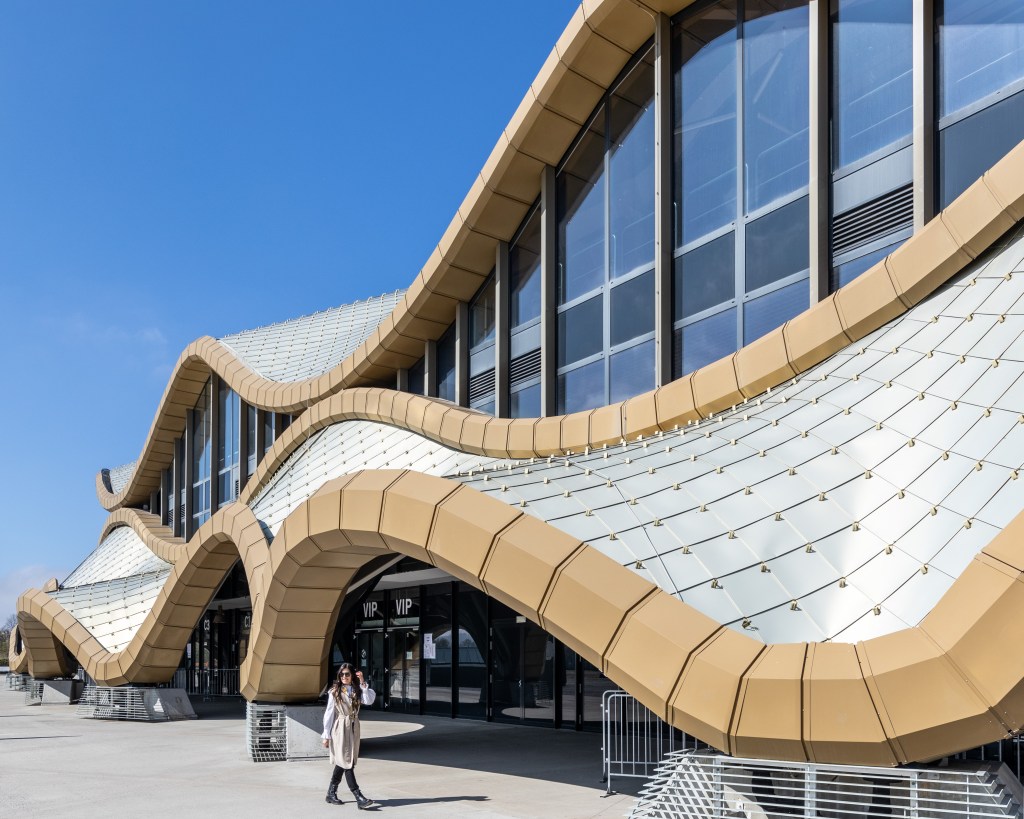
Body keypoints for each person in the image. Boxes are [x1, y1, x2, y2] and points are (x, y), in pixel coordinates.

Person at [321, 663, 377, 808]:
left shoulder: (358, 690)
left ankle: (331, 793)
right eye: (341, 674)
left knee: (344, 761)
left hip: (354, 727)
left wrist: (363, 683)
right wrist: (326, 735)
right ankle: (359, 797)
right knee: (347, 763)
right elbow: (329, 714)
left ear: (352, 675)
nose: (344, 677)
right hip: (340, 728)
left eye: (347, 674)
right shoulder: (335, 691)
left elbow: (369, 701)